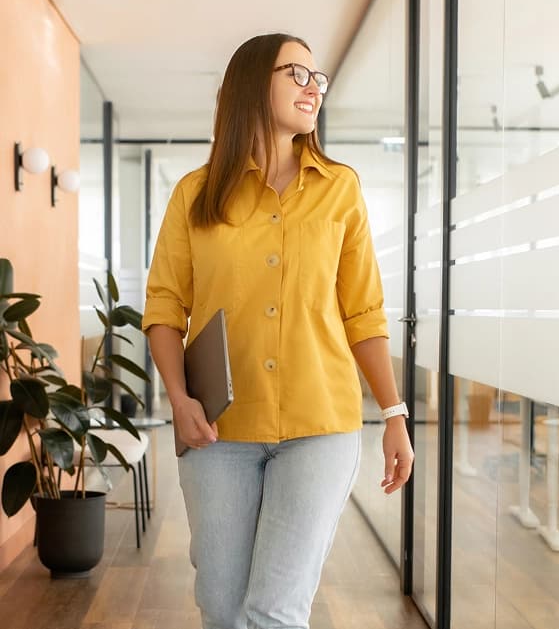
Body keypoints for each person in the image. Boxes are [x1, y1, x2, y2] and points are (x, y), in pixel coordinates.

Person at [142, 32, 414, 629]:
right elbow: (164, 306)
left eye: (318, 78)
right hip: (219, 431)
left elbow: (363, 311)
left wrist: (394, 414)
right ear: (250, 82)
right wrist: (179, 397)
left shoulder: (341, 188)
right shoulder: (196, 193)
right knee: (221, 604)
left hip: (320, 426)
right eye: (297, 73)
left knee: (275, 610)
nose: (312, 87)